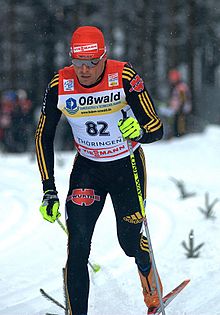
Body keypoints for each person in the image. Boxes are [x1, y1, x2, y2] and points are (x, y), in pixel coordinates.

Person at [35, 26, 163, 315]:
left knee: (129, 242)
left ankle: (149, 279)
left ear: (104, 57)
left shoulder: (124, 76)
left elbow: (157, 128)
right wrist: (48, 190)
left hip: (126, 166)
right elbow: (43, 134)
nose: (84, 70)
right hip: (88, 170)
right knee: (78, 247)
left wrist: (139, 132)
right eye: (78, 62)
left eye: (91, 62)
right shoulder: (60, 83)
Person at [167, 69, 192, 137]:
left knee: (180, 127)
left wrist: (180, 109)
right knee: (177, 126)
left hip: (181, 111)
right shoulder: (177, 86)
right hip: (178, 110)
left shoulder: (181, 87)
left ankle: (180, 137)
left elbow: (183, 99)